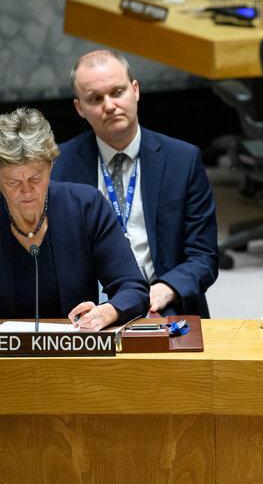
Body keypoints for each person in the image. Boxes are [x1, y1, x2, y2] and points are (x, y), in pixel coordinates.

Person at [53, 50, 219, 317]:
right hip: (88, 309)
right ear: (79, 108)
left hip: (162, 302)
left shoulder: (182, 160)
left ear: (135, 90)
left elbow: (204, 255)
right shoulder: (58, 166)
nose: (109, 106)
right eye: (96, 98)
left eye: (117, 92)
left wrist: (167, 288)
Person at [0, 107, 149, 329]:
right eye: (14, 182)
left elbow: (133, 289)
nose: (27, 191)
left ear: (50, 166)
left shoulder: (86, 206)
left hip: (74, 346)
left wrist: (108, 311)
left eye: (35, 178)